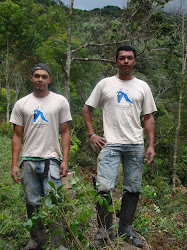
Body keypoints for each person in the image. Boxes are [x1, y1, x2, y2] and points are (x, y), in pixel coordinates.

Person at [82, 45, 157, 248]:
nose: (125, 61)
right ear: (116, 61)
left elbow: (148, 117)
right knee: (104, 187)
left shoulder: (142, 86)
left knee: (133, 188)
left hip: (135, 145)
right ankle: (104, 230)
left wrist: (150, 145)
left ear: (134, 61)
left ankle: (125, 229)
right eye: (122, 58)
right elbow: (86, 108)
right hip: (110, 143)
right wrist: (92, 134)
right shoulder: (105, 84)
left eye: (129, 58)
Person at [10, 63, 72, 250]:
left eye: (44, 76)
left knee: (54, 202)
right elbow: (17, 135)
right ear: (31, 78)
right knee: (31, 202)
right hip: (28, 159)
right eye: (36, 76)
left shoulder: (60, 101)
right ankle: (36, 239)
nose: (40, 79)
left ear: (50, 80)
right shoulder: (22, 104)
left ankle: (58, 243)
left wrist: (65, 160)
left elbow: (66, 132)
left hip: (52, 159)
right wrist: (14, 164)